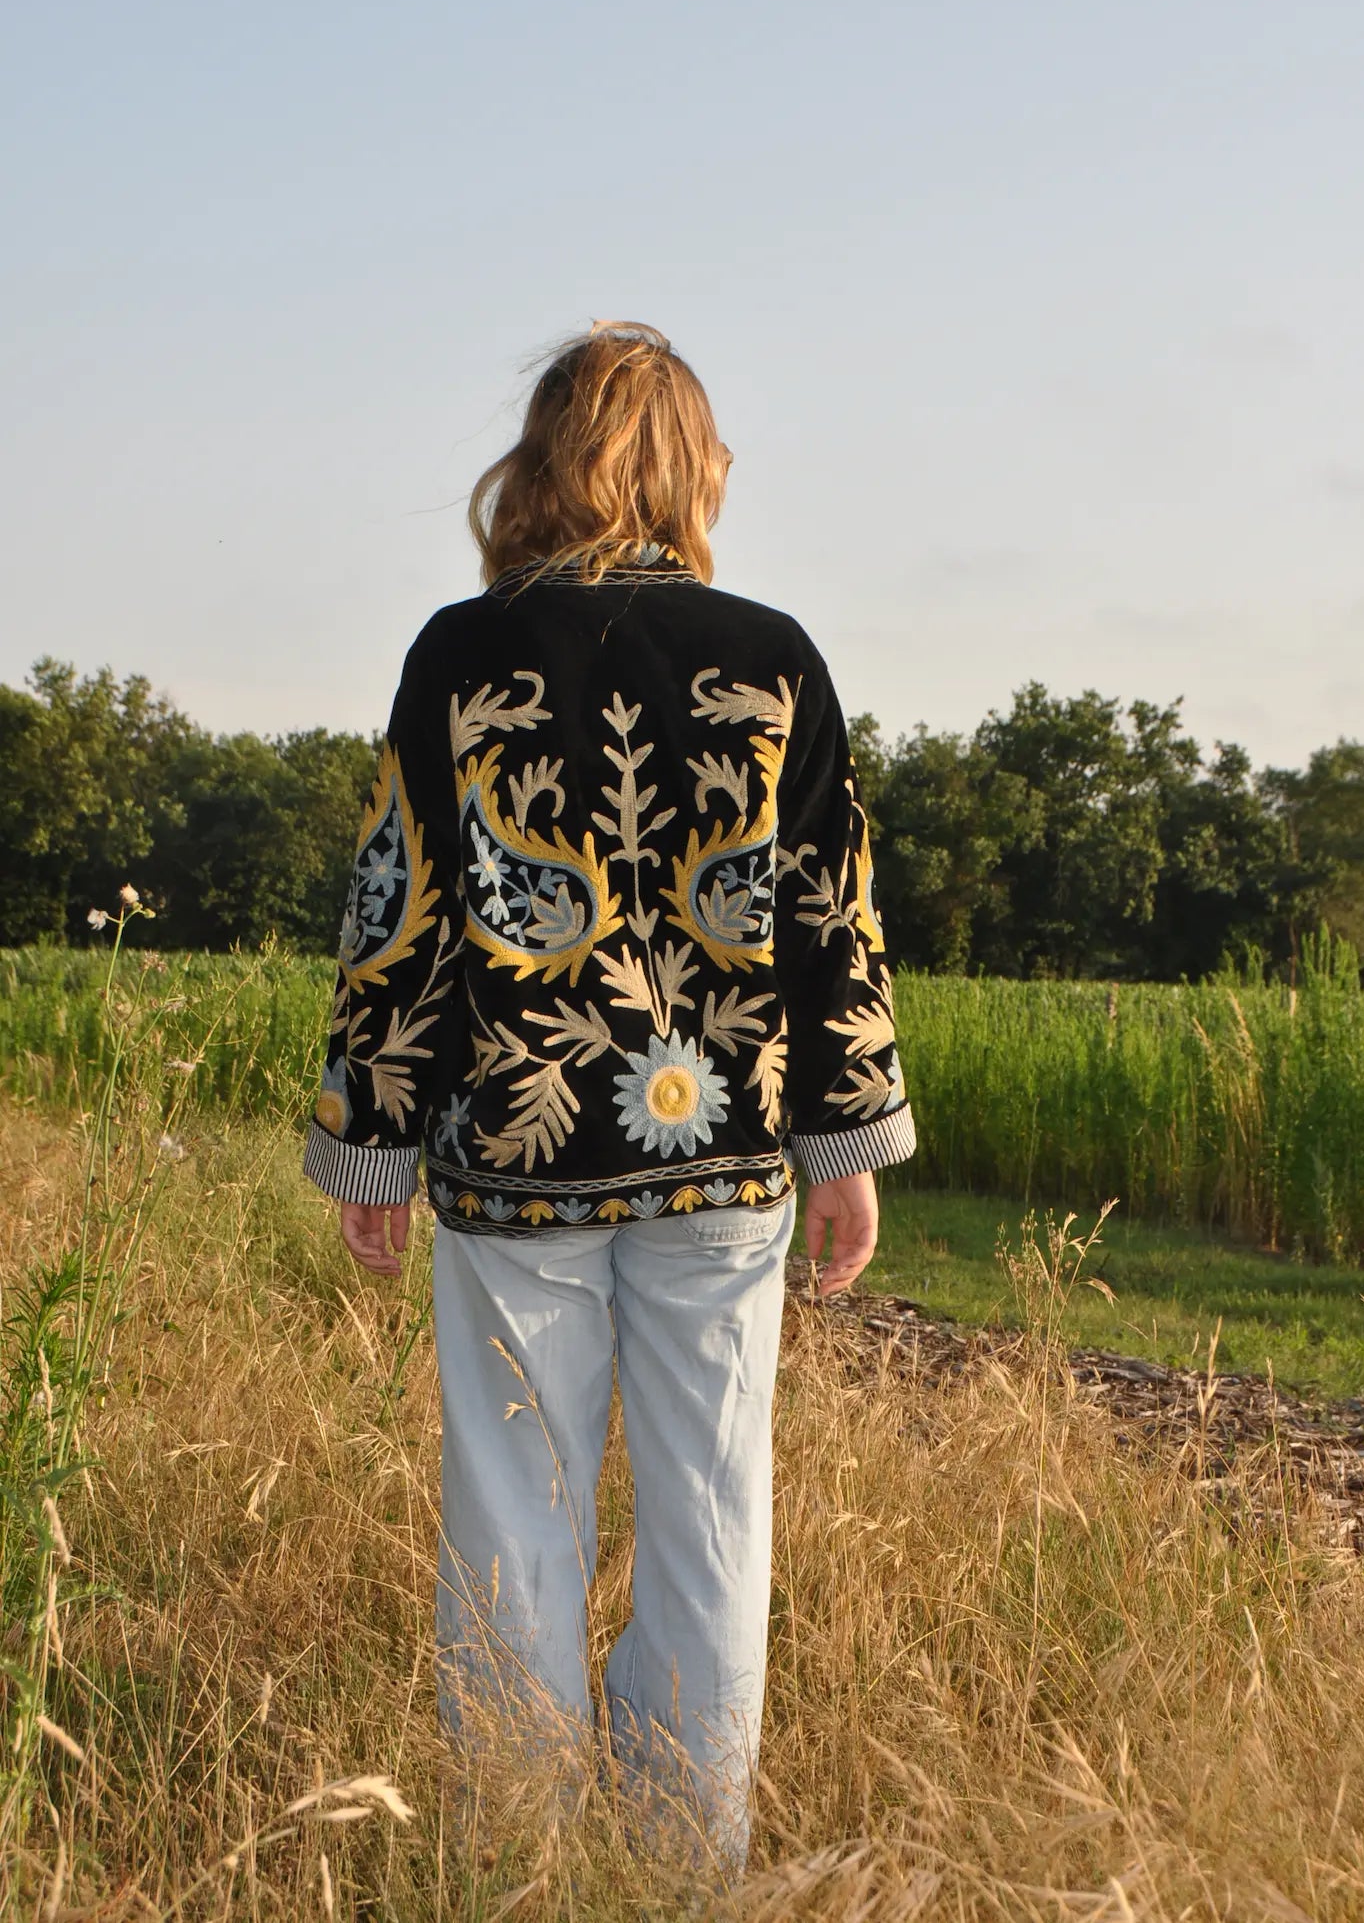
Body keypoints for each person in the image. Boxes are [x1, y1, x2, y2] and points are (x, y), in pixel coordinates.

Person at [303, 320, 916, 1869]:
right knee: (712, 1528)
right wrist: (847, 1144)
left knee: (514, 1519)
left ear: (544, 460)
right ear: (683, 463)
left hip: (512, 1162)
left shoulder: (460, 653)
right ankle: (680, 1867)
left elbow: (403, 911)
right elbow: (828, 914)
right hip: (724, 1167)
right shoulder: (775, 655)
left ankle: (516, 1863)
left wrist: (373, 1143)